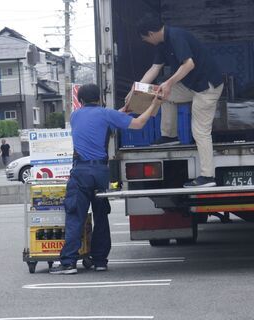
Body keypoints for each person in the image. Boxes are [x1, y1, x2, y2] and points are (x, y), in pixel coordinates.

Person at [49, 83, 162, 275]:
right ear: (100, 99)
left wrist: (121, 111)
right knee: (101, 216)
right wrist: (154, 104)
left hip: (81, 171)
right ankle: (100, 260)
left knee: (76, 216)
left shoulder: (75, 116)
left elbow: (99, 119)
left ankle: (68, 263)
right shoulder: (107, 114)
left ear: (81, 101)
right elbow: (138, 123)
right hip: (101, 172)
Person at [125, 14, 224, 188]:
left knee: (200, 131)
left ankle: (208, 176)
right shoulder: (162, 44)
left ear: (150, 33)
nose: (146, 42)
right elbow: (154, 68)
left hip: (207, 87)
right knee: (163, 94)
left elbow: (189, 64)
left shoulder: (176, 36)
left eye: (144, 39)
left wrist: (169, 82)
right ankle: (169, 136)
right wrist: (136, 89)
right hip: (192, 86)